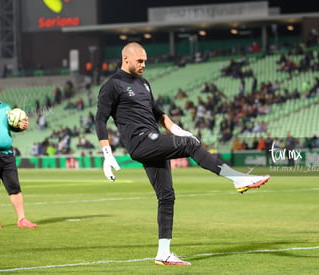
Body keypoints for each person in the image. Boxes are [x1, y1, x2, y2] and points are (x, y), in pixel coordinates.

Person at [95, 42, 270, 266]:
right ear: (126, 59)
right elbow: (100, 119)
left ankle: (164, 253)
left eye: (145, 61)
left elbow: (158, 114)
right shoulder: (113, 85)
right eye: (140, 61)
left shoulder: (144, 83)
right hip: (140, 142)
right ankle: (237, 178)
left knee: (166, 196)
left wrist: (178, 130)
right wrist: (107, 154)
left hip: (153, 139)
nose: (144, 65)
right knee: (188, 146)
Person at [0, 80, 37, 229]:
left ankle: (21, 219)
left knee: (14, 186)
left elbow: (11, 127)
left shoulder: (6, 108)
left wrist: (21, 127)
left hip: (7, 153)